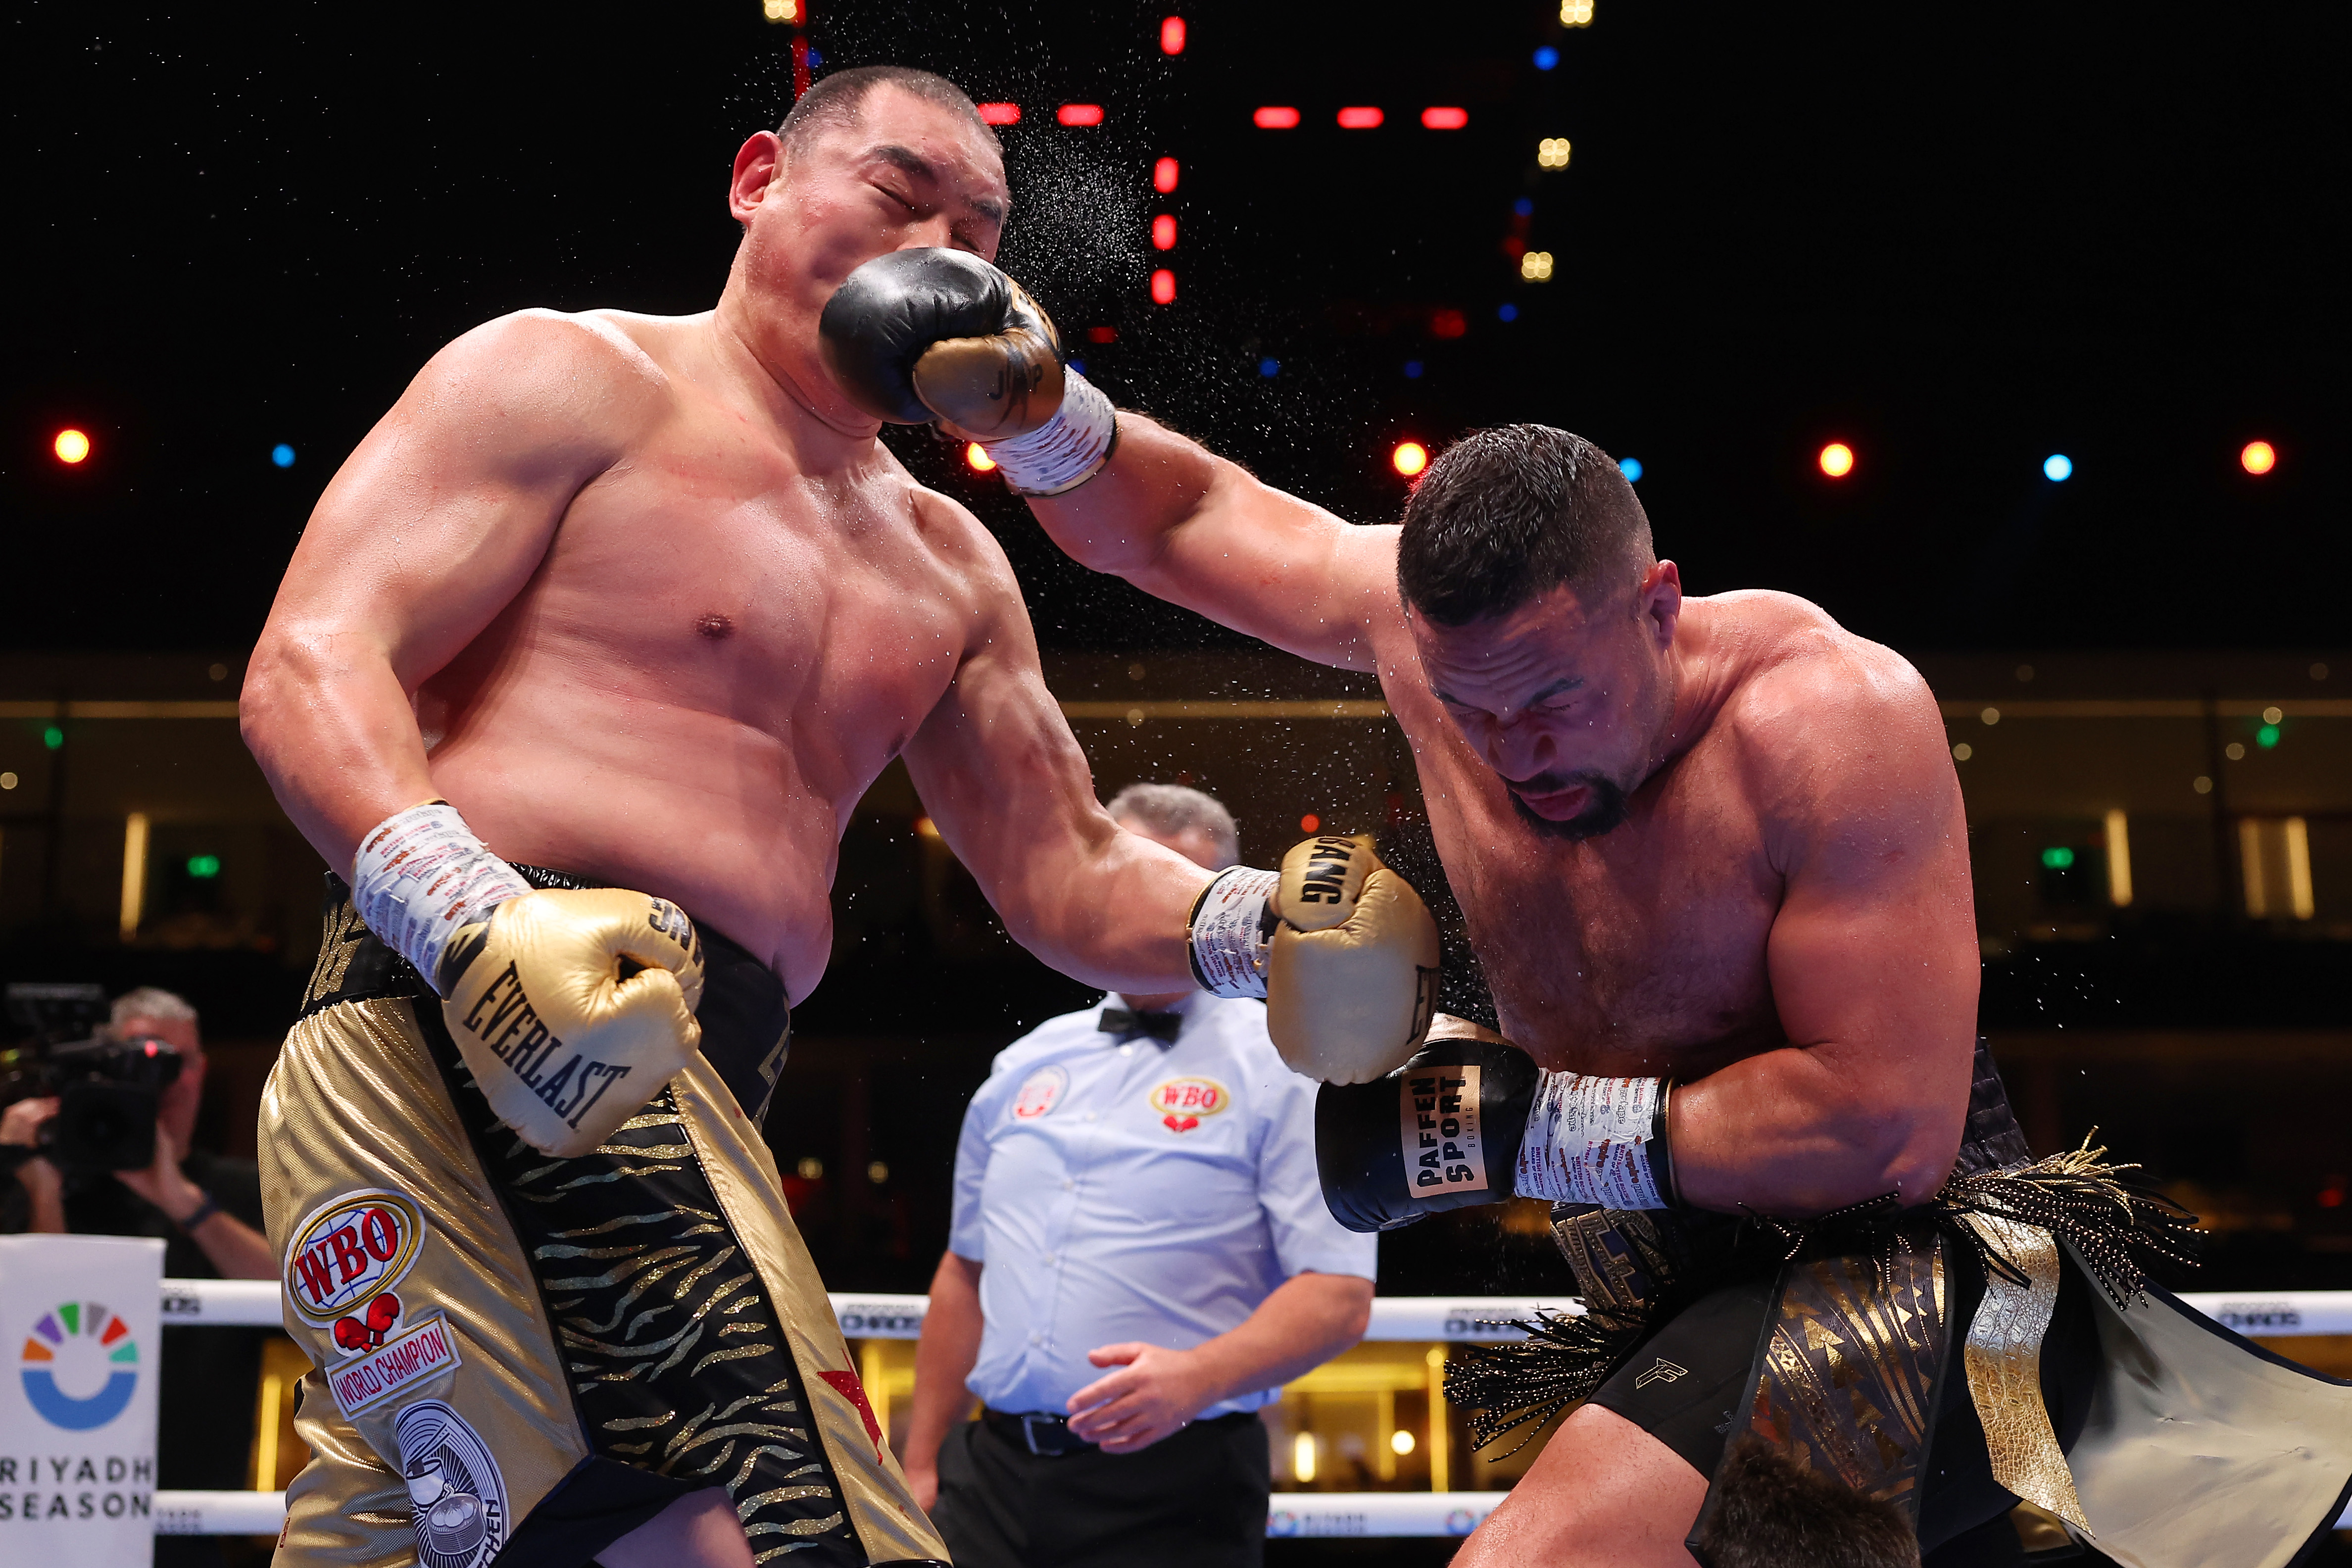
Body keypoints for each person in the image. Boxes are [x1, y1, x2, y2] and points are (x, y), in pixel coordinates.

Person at [816, 268, 2352, 1568]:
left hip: (1917, 1271)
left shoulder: (1826, 723)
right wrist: (1040, 419)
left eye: (1554, 697)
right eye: (1474, 709)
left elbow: (1878, 1127)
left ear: (1660, 606)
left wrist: (1513, 1126)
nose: (1513, 749)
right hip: (1668, 1283)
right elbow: (1187, 517)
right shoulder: (1425, 652)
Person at [239, 66, 1436, 1568]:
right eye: (898, 191)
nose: (943, 244)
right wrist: (468, 910)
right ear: (757, 180)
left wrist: (1266, 926)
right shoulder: (570, 376)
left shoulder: (949, 562)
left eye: (979, 227)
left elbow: (1061, 872)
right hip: (461, 1008)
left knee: (436, 1540)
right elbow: (310, 662)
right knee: (801, 1522)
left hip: (700, 1062)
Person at [901, 783, 1377, 1568]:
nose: (1149, 918)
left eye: (1177, 895)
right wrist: (920, 1463)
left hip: (1177, 1487)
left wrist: (1195, 1378)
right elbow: (965, 1270)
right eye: (1130, 886)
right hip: (987, 1481)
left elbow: (1337, 1296)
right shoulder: (1025, 1063)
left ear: (1223, 904)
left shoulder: (1288, 1064)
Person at [1, 986, 276, 1568]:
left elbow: (299, 1303)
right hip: (54, 1510)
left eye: (176, 1062)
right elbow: (42, 1330)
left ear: (201, 1072)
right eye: (138, 1060)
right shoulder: (43, 1181)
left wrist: (181, 1201)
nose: (162, 1080)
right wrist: (40, 1185)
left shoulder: (237, 1188)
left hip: (195, 1525)